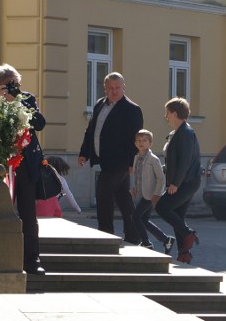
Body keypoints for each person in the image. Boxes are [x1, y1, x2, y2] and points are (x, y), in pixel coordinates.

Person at [0, 64, 47, 274]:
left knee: (28, 215)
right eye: (8, 84)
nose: (14, 88)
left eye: (16, 83)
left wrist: (17, 100)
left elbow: (40, 123)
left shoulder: (27, 99)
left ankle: (32, 260)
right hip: (0, 164)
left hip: (25, 166)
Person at [78, 72, 143, 243]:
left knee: (103, 193)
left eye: (117, 88)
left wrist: (132, 162)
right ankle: (134, 235)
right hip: (104, 160)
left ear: (124, 88)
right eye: (111, 88)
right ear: (105, 88)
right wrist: (85, 152)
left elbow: (134, 139)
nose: (114, 92)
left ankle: (105, 233)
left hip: (120, 161)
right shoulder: (100, 104)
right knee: (123, 199)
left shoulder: (132, 109)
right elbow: (91, 130)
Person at [155, 98, 202, 264]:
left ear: (175, 113)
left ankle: (188, 234)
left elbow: (185, 161)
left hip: (187, 181)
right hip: (183, 181)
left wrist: (175, 183)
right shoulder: (178, 133)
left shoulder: (186, 133)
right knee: (178, 216)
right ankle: (184, 253)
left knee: (162, 206)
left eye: (167, 113)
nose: (166, 116)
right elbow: (173, 160)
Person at [131, 130, 175, 253]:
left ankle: (146, 243)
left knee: (135, 217)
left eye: (144, 141)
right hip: (142, 193)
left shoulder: (153, 159)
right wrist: (134, 188)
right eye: (139, 141)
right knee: (144, 220)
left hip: (151, 195)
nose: (141, 143)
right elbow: (136, 176)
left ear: (150, 143)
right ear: (135, 143)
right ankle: (166, 240)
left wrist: (157, 194)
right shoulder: (136, 158)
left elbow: (161, 178)